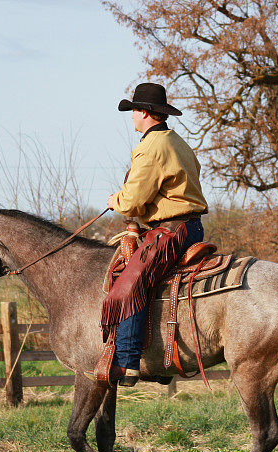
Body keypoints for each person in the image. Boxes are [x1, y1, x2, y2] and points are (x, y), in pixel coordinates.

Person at [91, 82, 208, 386]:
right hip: (190, 226)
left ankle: (129, 362)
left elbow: (133, 199)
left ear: (145, 112)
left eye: (133, 111)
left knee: (130, 285)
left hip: (170, 231)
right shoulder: (177, 141)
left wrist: (114, 200)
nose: (131, 117)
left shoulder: (151, 147)